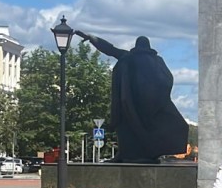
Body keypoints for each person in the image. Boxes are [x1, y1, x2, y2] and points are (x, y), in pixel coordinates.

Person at [74, 31, 188, 162]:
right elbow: (168, 79)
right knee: (133, 127)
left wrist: (91, 38)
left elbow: (110, 49)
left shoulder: (129, 56)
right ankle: (130, 155)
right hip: (149, 103)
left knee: (125, 127)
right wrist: (159, 98)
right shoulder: (156, 60)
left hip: (131, 102)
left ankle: (133, 154)